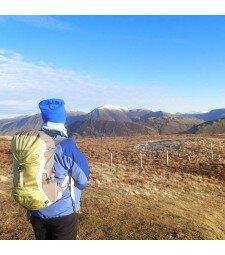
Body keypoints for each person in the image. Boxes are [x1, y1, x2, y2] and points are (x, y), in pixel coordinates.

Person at [29, 98, 90, 240]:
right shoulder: (66, 145)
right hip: (62, 213)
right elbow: (83, 179)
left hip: (36, 209)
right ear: (62, 119)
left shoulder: (32, 143)